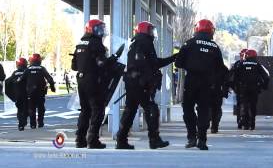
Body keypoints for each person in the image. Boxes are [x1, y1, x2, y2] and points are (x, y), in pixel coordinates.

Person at [116, 21, 176, 150]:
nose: (153, 33)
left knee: (130, 110)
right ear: (144, 31)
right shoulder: (145, 42)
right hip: (140, 84)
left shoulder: (136, 42)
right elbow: (150, 64)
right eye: (151, 30)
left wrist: (172, 58)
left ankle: (121, 140)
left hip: (133, 83)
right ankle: (154, 140)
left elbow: (150, 63)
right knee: (151, 109)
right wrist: (173, 58)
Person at [175, 19, 225, 150]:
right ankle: (202, 139)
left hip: (191, 80)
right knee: (204, 110)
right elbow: (220, 68)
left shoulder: (189, 43)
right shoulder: (215, 47)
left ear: (196, 29)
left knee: (188, 108)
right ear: (211, 31)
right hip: (207, 83)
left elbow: (178, 63)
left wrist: (190, 65)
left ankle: (191, 137)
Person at [71, 19, 116, 149]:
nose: (102, 31)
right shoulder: (96, 43)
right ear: (92, 29)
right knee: (98, 110)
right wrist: (112, 59)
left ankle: (80, 139)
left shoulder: (80, 43)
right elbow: (102, 63)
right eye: (99, 28)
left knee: (85, 110)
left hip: (81, 80)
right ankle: (93, 140)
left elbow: (74, 66)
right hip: (93, 81)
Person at [232, 49, 269, 130]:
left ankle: (245, 124)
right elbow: (266, 76)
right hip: (254, 88)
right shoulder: (257, 64)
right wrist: (264, 86)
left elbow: (234, 76)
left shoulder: (240, 64)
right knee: (253, 106)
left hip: (243, 88)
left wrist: (235, 87)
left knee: (244, 105)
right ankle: (252, 123)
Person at [20, 53, 56, 129]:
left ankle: (33, 124)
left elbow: (21, 80)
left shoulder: (28, 69)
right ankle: (40, 122)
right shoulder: (42, 68)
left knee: (31, 107)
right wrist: (52, 87)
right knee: (41, 107)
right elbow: (49, 78)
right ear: (39, 60)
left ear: (32, 61)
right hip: (40, 91)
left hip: (30, 92)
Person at [7, 58, 28, 131]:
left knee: (20, 109)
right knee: (26, 109)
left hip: (18, 95)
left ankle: (21, 124)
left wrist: (12, 95)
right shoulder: (27, 72)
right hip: (26, 94)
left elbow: (8, 83)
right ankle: (23, 122)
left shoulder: (15, 73)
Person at [230, 48, 248, 129]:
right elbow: (231, 76)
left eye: (242, 55)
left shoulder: (238, 64)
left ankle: (244, 119)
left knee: (243, 104)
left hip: (242, 88)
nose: (241, 57)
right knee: (240, 104)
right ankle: (240, 119)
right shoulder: (237, 64)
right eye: (241, 55)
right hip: (239, 88)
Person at [210, 64, 229, 133]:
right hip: (217, 91)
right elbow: (227, 81)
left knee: (206, 109)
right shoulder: (223, 68)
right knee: (216, 109)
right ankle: (214, 127)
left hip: (206, 91)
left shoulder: (203, 63)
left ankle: (209, 126)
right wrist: (225, 92)